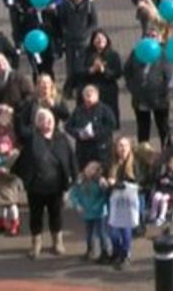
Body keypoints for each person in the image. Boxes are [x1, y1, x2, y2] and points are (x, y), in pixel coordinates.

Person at [14, 108, 76, 259]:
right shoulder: (31, 139)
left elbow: (71, 159)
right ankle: (36, 243)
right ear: (37, 123)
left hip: (56, 186)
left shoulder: (62, 139)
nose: (46, 123)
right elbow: (22, 158)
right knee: (36, 215)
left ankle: (57, 241)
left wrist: (74, 176)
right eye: (42, 120)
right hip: (36, 186)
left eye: (49, 120)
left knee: (56, 214)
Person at [124, 30, 173, 147]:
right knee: (143, 130)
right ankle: (143, 156)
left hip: (159, 99)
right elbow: (127, 72)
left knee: (163, 128)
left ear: (160, 39)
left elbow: (170, 77)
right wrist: (133, 89)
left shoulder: (164, 54)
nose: (151, 38)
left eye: (154, 36)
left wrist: (164, 93)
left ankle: (167, 155)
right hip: (140, 99)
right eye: (148, 35)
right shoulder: (136, 53)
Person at [106, 136, 140, 270]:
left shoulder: (134, 164)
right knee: (113, 230)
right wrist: (106, 183)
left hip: (128, 201)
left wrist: (117, 184)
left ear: (130, 147)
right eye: (120, 145)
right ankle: (117, 251)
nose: (122, 148)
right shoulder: (112, 163)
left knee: (125, 228)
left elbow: (138, 181)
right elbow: (107, 178)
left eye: (125, 145)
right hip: (114, 200)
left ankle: (126, 254)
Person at [65, 85, 117, 169]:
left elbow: (111, 125)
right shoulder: (78, 110)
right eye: (86, 96)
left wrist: (95, 133)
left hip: (100, 150)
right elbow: (68, 126)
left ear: (97, 96)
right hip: (83, 151)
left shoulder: (105, 110)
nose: (88, 98)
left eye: (90, 95)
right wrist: (78, 134)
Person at [69, 161, 111, 263]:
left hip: (99, 212)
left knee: (102, 233)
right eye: (87, 167)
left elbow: (105, 196)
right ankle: (90, 250)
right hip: (87, 212)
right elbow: (74, 193)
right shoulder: (81, 181)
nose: (87, 170)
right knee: (89, 233)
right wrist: (77, 204)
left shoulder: (100, 182)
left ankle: (105, 252)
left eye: (92, 168)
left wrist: (97, 206)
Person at [82, 29, 123, 128]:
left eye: (102, 39)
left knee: (109, 117)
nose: (100, 41)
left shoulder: (113, 55)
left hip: (108, 90)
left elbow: (118, 72)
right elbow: (79, 72)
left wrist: (104, 70)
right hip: (91, 89)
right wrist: (91, 70)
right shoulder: (86, 55)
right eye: (97, 39)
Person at [149, 153, 173, 226]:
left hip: (171, 194)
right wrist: (160, 180)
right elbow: (157, 180)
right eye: (172, 163)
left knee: (163, 199)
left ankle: (162, 217)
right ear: (168, 164)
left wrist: (169, 182)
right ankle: (153, 214)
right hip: (162, 191)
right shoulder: (165, 173)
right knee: (156, 197)